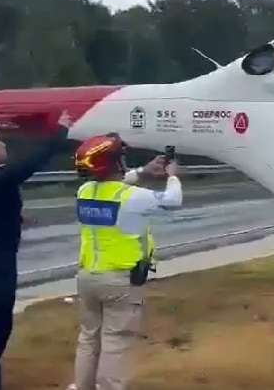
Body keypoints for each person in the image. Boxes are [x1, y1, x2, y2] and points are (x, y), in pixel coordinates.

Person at [70, 133, 182, 390]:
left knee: (89, 339)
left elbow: (117, 182)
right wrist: (172, 174)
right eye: (120, 159)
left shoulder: (85, 191)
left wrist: (145, 171)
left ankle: (82, 386)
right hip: (120, 281)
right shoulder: (131, 196)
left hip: (88, 277)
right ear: (114, 164)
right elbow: (174, 200)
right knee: (115, 341)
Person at [0, 111, 72, 390]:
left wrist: (14, 216)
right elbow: (29, 165)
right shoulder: (0, 179)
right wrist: (60, 133)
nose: (3, 144)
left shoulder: (0, 182)